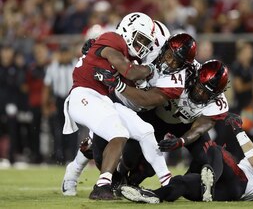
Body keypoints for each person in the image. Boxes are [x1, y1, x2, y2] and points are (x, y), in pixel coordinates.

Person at [61, 23, 196, 197]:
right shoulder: (149, 48)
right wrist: (96, 45)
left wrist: (122, 76)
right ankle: (88, 177)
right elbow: (121, 49)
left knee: (145, 133)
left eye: (177, 61)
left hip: (141, 106)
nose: (170, 62)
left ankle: (167, 181)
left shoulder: (177, 79)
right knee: (102, 143)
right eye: (169, 54)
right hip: (114, 96)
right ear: (163, 46)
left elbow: (146, 99)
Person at [62, 12, 162, 200]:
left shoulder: (132, 56)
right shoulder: (113, 39)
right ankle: (98, 184)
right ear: (127, 30)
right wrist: (151, 70)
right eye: (140, 39)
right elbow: (130, 72)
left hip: (104, 100)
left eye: (146, 42)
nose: (143, 46)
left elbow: (132, 78)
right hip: (86, 93)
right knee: (115, 135)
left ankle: (83, 175)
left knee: (105, 139)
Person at [119, 112, 253, 203]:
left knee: (215, 150)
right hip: (231, 193)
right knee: (182, 183)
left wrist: (238, 130)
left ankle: (209, 181)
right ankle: (154, 196)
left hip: (240, 181)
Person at [112, 59, 230, 188]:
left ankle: (182, 186)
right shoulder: (180, 69)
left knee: (205, 159)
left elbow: (199, 128)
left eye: (207, 93)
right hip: (155, 116)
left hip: (186, 125)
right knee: (133, 155)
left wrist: (181, 141)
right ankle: (120, 174)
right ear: (195, 76)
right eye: (199, 87)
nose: (200, 93)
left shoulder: (219, 103)